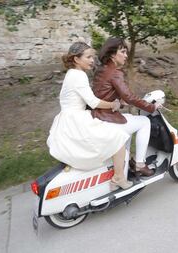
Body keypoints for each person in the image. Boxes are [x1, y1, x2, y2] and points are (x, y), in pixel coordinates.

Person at [47, 41, 133, 190]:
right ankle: (118, 178)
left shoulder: (71, 74)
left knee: (107, 142)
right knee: (118, 139)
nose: (92, 60)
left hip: (67, 120)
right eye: (88, 57)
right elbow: (93, 102)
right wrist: (114, 104)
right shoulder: (79, 76)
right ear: (76, 59)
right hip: (77, 121)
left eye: (93, 57)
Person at [91, 37, 161, 178]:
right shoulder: (115, 73)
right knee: (144, 122)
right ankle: (140, 164)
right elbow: (129, 96)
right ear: (112, 54)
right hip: (107, 120)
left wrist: (119, 101)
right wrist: (152, 107)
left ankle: (126, 164)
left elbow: (103, 93)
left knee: (130, 120)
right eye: (122, 52)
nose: (126, 55)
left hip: (98, 118)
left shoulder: (101, 70)